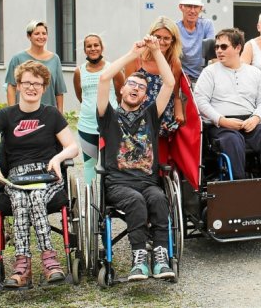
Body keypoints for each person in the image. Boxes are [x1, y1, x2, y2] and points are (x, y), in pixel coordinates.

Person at [0, 60, 79, 288]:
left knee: (36, 196)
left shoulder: (51, 114)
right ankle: (26, 265)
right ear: (19, 85)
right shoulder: (6, 115)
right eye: (27, 82)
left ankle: (47, 262)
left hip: (47, 175)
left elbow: (73, 147)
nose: (32, 87)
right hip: (17, 178)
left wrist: (58, 158)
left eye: (37, 83)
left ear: (44, 88)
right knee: (22, 198)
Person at [97, 35, 176, 281]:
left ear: (145, 96)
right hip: (118, 184)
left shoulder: (151, 115)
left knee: (159, 199)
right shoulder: (108, 116)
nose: (135, 89)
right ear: (122, 89)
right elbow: (103, 77)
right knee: (135, 201)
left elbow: (170, 82)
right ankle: (139, 258)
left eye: (141, 87)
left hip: (147, 182)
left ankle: (161, 258)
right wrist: (133, 54)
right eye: (131, 84)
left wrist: (156, 51)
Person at [194, 28, 261, 180]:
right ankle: (238, 183)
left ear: (238, 48)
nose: (218, 50)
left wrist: (256, 118)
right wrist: (222, 120)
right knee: (232, 140)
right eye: (217, 47)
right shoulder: (209, 72)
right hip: (221, 125)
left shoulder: (254, 72)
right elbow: (200, 101)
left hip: (250, 121)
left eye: (224, 47)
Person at [125, 16, 184, 163]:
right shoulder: (137, 58)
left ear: (173, 40)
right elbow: (126, 93)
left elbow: (176, 94)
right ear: (151, 37)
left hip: (163, 119)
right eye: (158, 37)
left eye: (166, 38)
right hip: (140, 117)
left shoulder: (174, 62)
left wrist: (179, 111)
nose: (162, 42)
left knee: (160, 161)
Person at [73, 34, 123, 184]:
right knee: (89, 164)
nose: (93, 48)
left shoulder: (113, 68)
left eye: (96, 45)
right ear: (85, 50)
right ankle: (91, 202)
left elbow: (121, 95)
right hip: (87, 126)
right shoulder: (78, 72)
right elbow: (81, 96)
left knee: (111, 164)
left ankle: (109, 199)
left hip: (110, 125)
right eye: (89, 46)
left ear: (102, 47)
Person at [5, 20, 67, 113]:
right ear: (29, 36)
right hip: (24, 111)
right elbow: (11, 87)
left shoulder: (55, 59)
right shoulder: (17, 58)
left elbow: (59, 91)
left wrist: (60, 114)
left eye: (44, 33)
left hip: (48, 112)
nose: (41, 37)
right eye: (37, 33)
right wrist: (12, 113)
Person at [176, 0, 214, 82]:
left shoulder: (207, 25)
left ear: (200, 8)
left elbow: (212, 53)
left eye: (196, 7)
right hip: (181, 77)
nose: (192, 11)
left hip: (203, 76)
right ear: (181, 7)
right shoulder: (175, 28)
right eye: (189, 6)